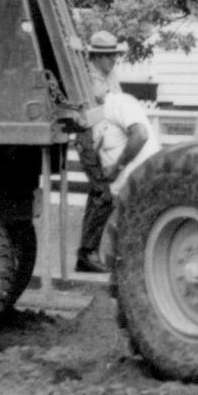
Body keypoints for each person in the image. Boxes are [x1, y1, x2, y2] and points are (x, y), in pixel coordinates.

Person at [72, 33, 162, 273]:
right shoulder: (89, 78)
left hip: (104, 136)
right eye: (109, 55)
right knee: (103, 194)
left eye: (114, 54)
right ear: (97, 56)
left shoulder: (109, 75)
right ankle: (87, 254)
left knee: (100, 194)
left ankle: (88, 252)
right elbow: (104, 105)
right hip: (91, 137)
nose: (114, 59)